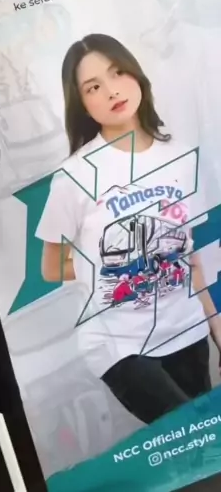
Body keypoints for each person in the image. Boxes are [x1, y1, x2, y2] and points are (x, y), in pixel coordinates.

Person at [36, 33, 220, 425]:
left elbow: (190, 258)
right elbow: (51, 268)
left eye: (118, 72)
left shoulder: (180, 157)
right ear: (81, 103)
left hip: (186, 330)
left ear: (136, 75)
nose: (112, 90)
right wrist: (123, 268)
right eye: (93, 87)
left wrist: (215, 326)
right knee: (188, 436)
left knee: (208, 448)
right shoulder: (75, 176)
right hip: (120, 345)